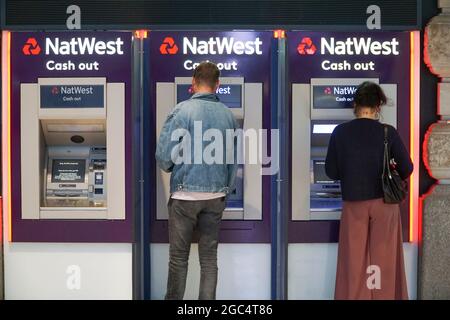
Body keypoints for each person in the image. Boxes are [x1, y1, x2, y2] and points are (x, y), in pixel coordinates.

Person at [155, 61, 238, 300]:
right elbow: (233, 161)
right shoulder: (228, 116)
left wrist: (174, 166)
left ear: (193, 83)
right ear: (218, 85)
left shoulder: (181, 111)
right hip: (215, 197)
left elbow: (164, 158)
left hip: (185, 196)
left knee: (179, 259)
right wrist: (225, 190)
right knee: (209, 259)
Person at [325, 81, 413, 300]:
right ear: (378, 106)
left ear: (355, 104)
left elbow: (331, 172)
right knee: (382, 259)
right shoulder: (387, 132)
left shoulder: (340, 132)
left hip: (354, 205)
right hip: (384, 204)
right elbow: (407, 168)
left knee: (354, 262)